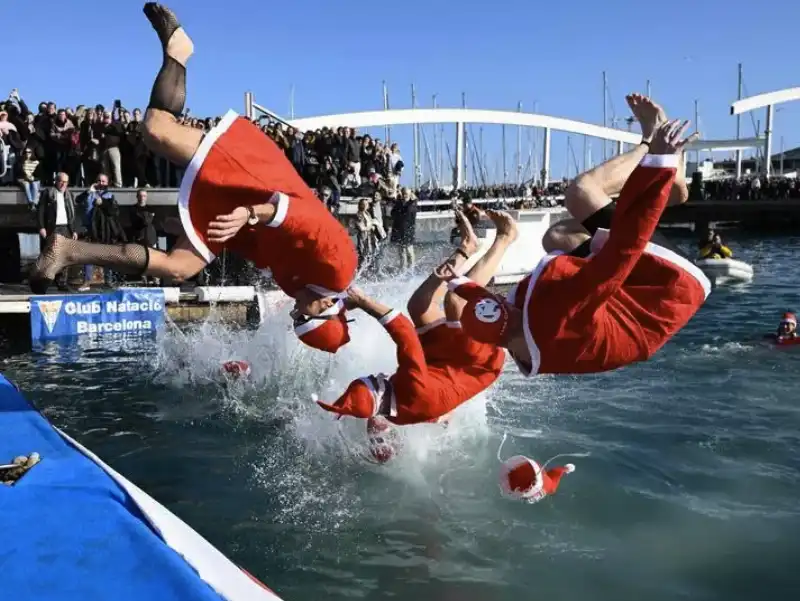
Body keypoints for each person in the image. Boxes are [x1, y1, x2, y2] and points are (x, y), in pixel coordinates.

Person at [28, 3, 357, 353]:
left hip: (244, 216)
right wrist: (247, 214)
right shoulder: (339, 269)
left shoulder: (300, 289)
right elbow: (306, 215)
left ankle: (69, 250)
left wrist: (206, 228)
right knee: (155, 130)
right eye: (301, 317)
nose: (293, 312)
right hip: (260, 182)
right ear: (326, 308)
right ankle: (179, 51)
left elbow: (266, 249)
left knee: (179, 267)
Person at [440, 118, 711, 376]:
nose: (505, 301)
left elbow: (484, 310)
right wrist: (659, 165)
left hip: (632, 308)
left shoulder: (518, 343)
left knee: (558, 236)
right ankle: (650, 146)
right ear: (511, 318)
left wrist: (458, 282)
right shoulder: (558, 314)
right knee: (580, 192)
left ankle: (663, 188)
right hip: (668, 285)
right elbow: (623, 250)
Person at [316, 210, 514, 457]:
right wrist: (364, 302)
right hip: (477, 364)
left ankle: (467, 248)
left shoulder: (396, 414)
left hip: (444, 365)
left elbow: (427, 413)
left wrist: (443, 413)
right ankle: (506, 237)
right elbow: (403, 331)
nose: (378, 375)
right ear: (379, 391)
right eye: (375, 380)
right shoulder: (412, 386)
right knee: (455, 301)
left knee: (419, 306)